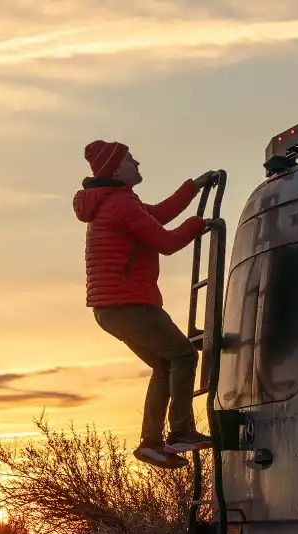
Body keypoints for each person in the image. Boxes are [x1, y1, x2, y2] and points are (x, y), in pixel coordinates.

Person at [73, 140, 219, 468]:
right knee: (182, 354)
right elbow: (166, 242)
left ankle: (151, 443)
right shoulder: (120, 205)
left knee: (165, 363)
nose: (137, 162)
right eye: (129, 159)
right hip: (129, 304)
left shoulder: (117, 202)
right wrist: (201, 225)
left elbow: (159, 215)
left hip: (112, 308)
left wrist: (193, 187)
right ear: (115, 168)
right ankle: (180, 432)